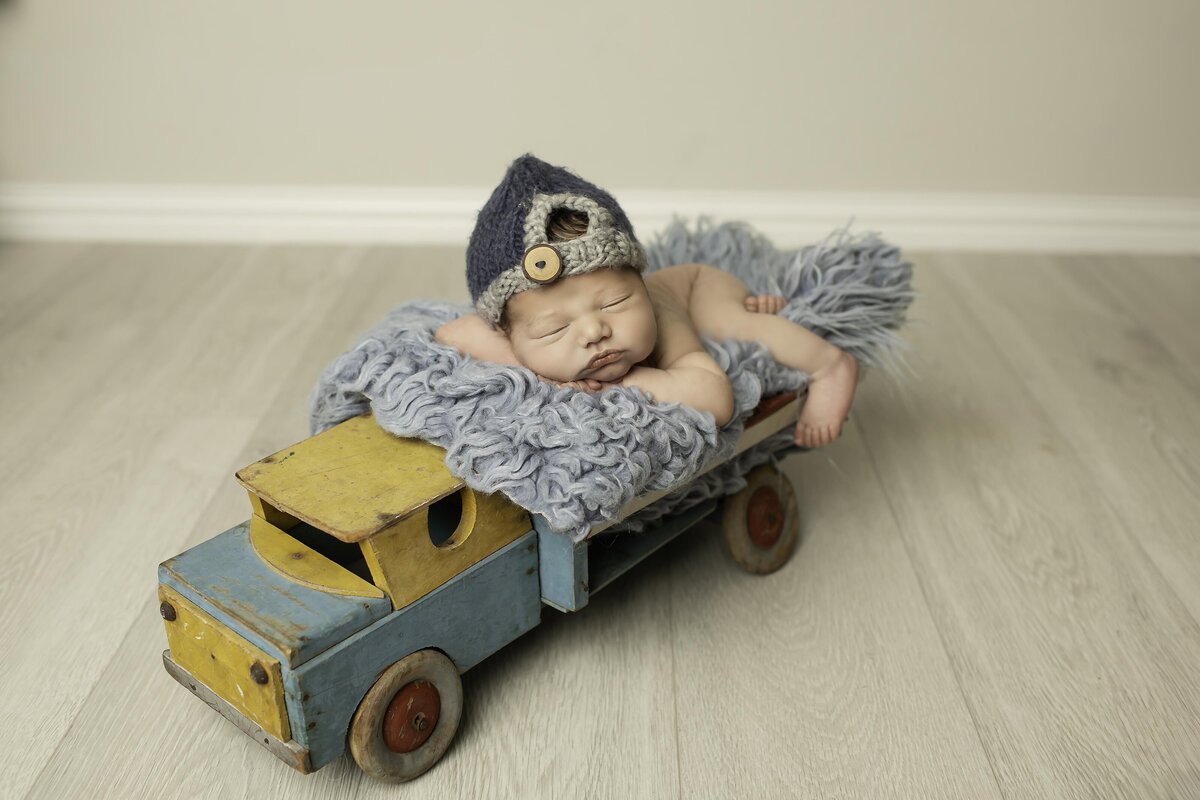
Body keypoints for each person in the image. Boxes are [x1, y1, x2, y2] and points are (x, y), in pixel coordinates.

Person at [435, 154, 858, 448]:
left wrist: (621, 383)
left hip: (697, 287)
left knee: (736, 323)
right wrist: (542, 374)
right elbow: (452, 331)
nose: (594, 331)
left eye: (616, 302)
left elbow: (717, 399)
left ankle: (830, 365)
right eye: (554, 328)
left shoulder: (659, 313)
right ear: (507, 331)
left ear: (640, 282)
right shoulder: (508, 328)